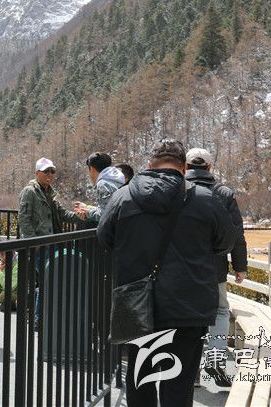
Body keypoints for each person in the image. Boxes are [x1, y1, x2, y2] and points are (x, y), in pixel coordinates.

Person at [98, 138, 236, 407]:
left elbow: (105, 238)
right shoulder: (205, 199)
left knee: (141, 380)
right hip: (188, 306)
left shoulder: (123, 197)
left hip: (139, 305)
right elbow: (225, 242)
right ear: (184, 168)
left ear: (150, 165)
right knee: (179, 386)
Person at [185, 148, 248, 388]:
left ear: (186, 167)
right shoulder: (224, 193)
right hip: (216, 266)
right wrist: (240, 266)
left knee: (188, 314)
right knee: (220, 311)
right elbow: (236, 234)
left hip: (183, 266)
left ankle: (190, 371)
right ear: (210, 167)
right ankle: (215, 361)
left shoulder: (178, 191)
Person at [18, 157, 88, 328]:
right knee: (47, 280)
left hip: (53, 243)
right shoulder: (29, 191)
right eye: (46, 171)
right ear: (37, 173)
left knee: (51, 280)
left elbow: (63, 214)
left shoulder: (50, 193)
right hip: (40, 246)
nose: (50, 174)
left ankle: (44, 316)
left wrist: (81, 215)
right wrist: (34, 243)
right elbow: (24, 219)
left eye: (52, 171)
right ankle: (38, 319)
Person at [74, 152, 125, 226]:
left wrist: (88, 213)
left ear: (91, 169)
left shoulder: (103, 184)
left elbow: (106, 214)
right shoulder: (119, 179)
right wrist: (86, 207)